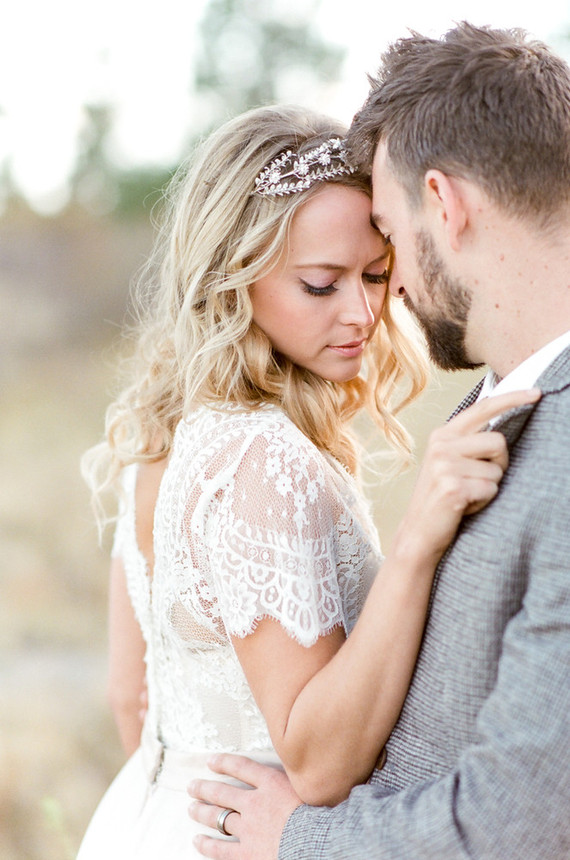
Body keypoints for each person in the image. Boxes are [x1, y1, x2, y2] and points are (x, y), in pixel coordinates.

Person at [78, 102, 536, 860]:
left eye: (377, 275)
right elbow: (318, 767)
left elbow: (130, 695)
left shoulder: (159, 437)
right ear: (235, 278)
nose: (362, 313)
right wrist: (420, 538)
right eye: (321, 285)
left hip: (147, 821)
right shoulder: (260, 457)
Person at [188, 22, 570, 860]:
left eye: (387, 242)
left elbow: (519, 823)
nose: (384, 292)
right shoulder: (494, 404)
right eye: (326, 280)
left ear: (445, 204)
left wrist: (302, 840)